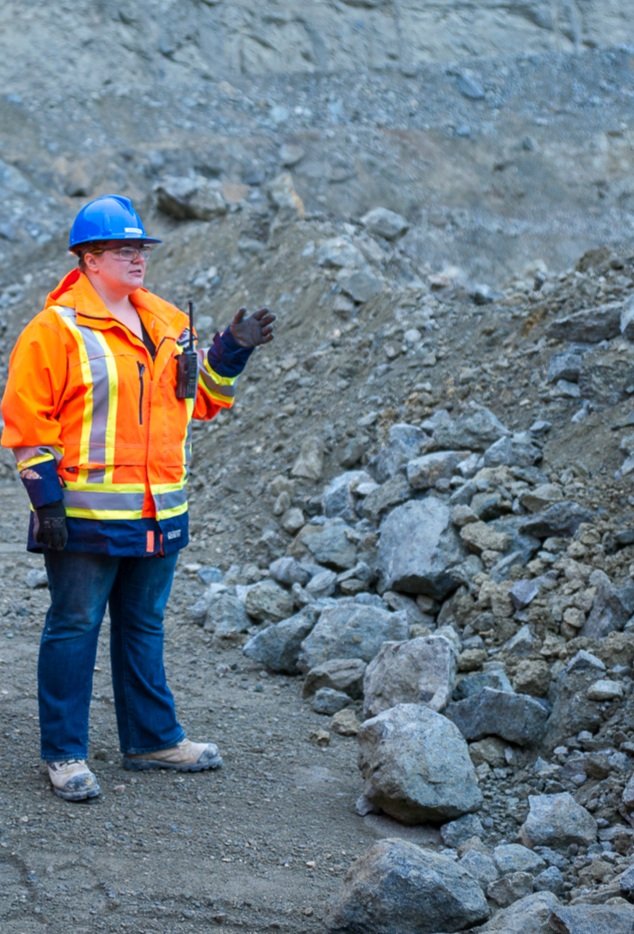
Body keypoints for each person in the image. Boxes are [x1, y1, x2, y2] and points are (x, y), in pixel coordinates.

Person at [0, 194, 275, 802]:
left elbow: (202, 398)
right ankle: (65, 754)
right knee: (74, 626)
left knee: (143, 625)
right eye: (125, 250)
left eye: (141, 249)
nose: (138, 259)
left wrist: (231, 350)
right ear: (90, 259)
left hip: (160, 512)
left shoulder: (168, 322)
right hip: (86, 517)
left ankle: (151, 740)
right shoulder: (56, 330)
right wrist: (46, 503)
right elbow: (25, 421)